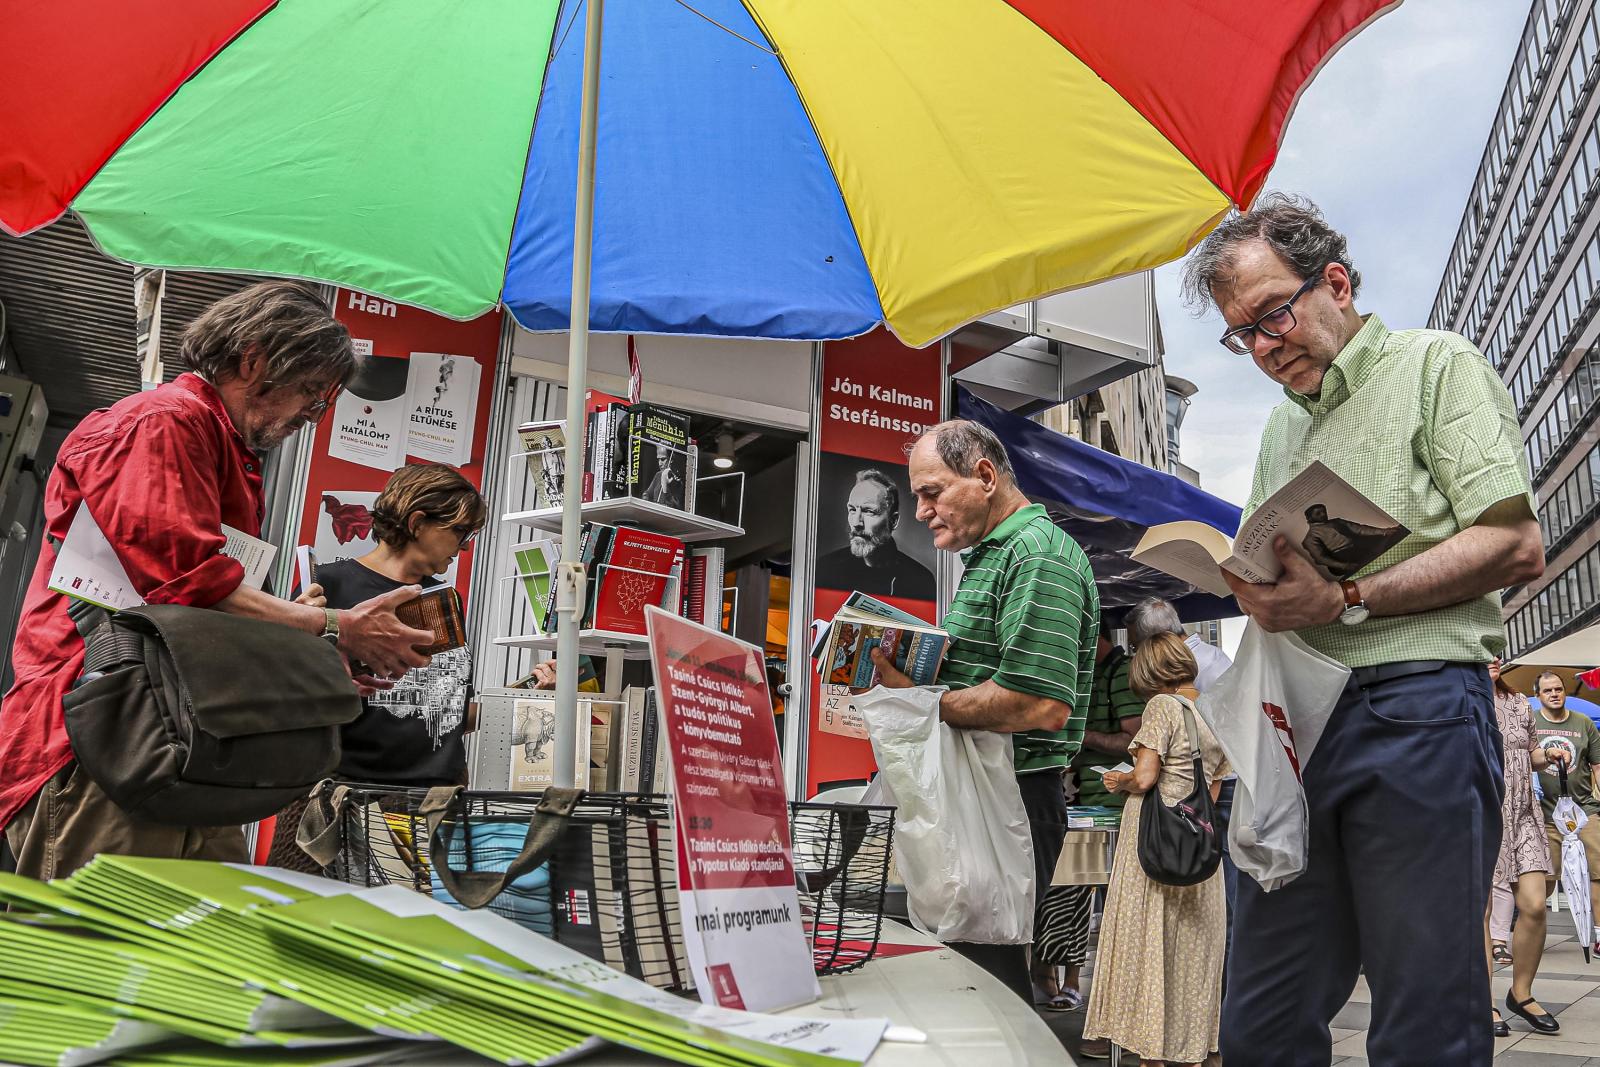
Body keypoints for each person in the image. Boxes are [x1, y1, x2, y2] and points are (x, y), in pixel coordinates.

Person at [1182, 194, 1543, 1066]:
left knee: (1425, 1014)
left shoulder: (1435, 366)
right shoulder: (1279, 425)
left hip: (1418, 706)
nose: (1265, 348)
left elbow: (1516, 542)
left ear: (1335, 282)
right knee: (1259, 1020)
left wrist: (1347, 597)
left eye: (1274, 315)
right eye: (1245, 335)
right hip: (1300, 724)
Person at [0, 281, 435, 881]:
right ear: (254, 358)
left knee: (197, 960)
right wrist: (335, 624)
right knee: (103, 960)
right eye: (310, 392)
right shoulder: (161, 424)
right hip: (108, 742)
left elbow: (198, 616)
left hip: (184, 746)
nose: (310, 417)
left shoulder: (223, 450)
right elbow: (183, 583)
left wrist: (310, 649)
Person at [870, 420, 1098, 1002]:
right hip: (984, 789)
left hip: (1011, 795)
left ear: (986, 476)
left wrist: (918, 701)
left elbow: (1040, 703)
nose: (920, 511)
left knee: (985, 982)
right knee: (970, 976)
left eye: (932, 492)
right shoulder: (998, 555)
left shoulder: (1038, 553)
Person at [1082, 632, 1230, 1067]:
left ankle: (1151, 1050)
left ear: (1148, 672)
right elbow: (1213, 791)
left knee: (1149, 943)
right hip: (1196, 847)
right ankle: (1190, 1050)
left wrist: (1119, 780)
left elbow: (1145, 777)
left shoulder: (1163, 707)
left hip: (1152, 843)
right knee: (1191, 954)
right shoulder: (1213, 710)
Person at [312, 463, 487, 786]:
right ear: (418, 522)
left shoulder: (445, 599)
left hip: (437, 804)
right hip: (348, 798)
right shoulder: (326, 585)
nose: (465, 545)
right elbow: (291, 700)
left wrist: (529, 698)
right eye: (460, 531)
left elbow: (445, 714)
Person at [1032, 616, 1139, 1021]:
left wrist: (1080, 736)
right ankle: (1050, 977)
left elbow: (1133, 739)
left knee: (1110, 907)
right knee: (1064, 892)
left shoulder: (1121, 673)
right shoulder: (1083, 673)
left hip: (1113, 807)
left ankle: (1096, 993)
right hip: (1075, 802)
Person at [1486, 659, 1555, 1038]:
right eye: (1484, 652)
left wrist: (1550, 754)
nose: (1493, 658)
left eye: (1497, 652)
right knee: (1480, 911)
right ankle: (1482, 1000)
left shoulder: (1519, 703)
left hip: (1524, 812)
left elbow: (1529, 754)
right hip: (1482, 808)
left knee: (1534, 904)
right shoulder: (1462, 701)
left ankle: (1521, 993)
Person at [1531, 671, 1600, 957]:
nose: (1555, 694)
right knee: (1545, 878)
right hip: (1544, 815)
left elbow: (1597, 765)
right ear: (1538, 696)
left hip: (1584, 811)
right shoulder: (1531, 723)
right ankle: (1529, 930)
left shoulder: (1583, 723)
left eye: (1559, 689)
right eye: (1548, 691)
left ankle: (1599, 937)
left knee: (1598, 872)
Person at [815, 469, 935, 599]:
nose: (856, 523)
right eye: (852, 510)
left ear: (893, 521)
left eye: (869, 511)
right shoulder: (826, 568)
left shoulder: (920, 580)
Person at [1299, 503, 1403, 579]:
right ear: (1309, 517)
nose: (1323, 514)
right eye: (1318, 513)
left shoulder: (1337, 521)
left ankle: (1395, 532)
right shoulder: (1310, 538)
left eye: (1323, 511)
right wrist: (1345, 565)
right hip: (1341, 559)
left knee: (1389, 535)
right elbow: (1321, 558)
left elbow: (1359, 529)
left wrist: (1384, 531)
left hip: (1356, 546)